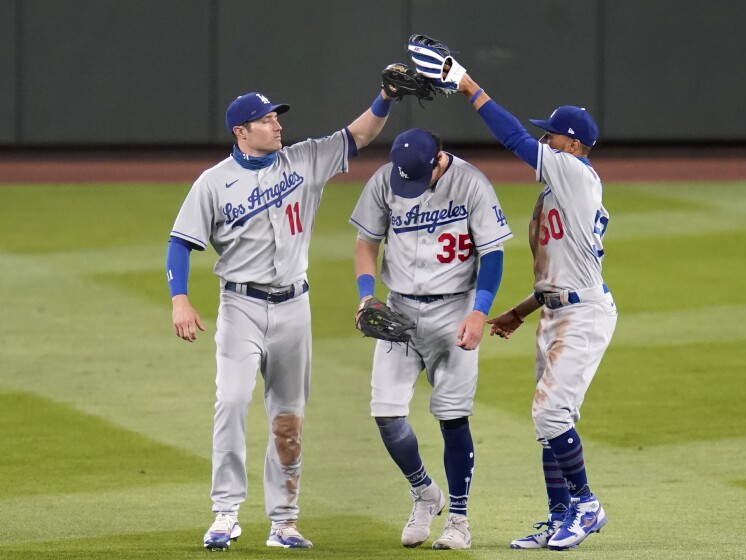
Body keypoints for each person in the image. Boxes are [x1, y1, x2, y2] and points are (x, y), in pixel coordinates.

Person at [166, 83, 397, 550]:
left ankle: (284, 522)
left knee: (288, 420)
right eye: (267, 120)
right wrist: (180, 299)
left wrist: (386, 97)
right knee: (231, 402)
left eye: (277, 118)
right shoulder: (213, 182)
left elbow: (359, 136)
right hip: (240, 307)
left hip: (294, 307)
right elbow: (179, 242)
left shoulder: (304, 159)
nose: (278, 125)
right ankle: (225, 513)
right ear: (241, 131)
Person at [441, 61, 618, 550]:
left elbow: (515, 139)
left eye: (554, 137)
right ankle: (560, 516)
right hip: (557, 310)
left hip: (582, 314)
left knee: (550, 415)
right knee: (550, 423)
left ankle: (586, 507)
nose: (546, 142)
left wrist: (471, 88)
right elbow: (555, 272)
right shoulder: (556, 193)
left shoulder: (577, 176)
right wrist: (520, 311)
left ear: (575, 145)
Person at [349, 128, 512, 549]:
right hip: (398, 308)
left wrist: (480, 310)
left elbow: (492, 253)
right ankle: (425, 493)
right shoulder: (386, 180)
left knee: (452, 416)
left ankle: (458, 518)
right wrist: (367, 296)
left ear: (439, 158)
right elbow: (366, 242)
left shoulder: (472, 184)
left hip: (455, 308)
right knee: (385, 413)